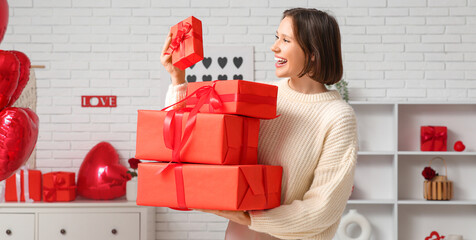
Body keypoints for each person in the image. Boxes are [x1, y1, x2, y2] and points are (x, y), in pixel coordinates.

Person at [161, 8, 358, 240]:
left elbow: (323, 209)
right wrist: (177, 79)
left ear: (313, 52)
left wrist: (250, 218)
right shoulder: (262, 96)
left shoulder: (337, 117)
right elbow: (192, 140)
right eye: (277, 37)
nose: (274, 47)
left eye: (286, 40)